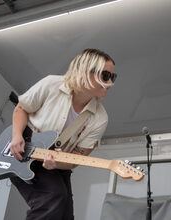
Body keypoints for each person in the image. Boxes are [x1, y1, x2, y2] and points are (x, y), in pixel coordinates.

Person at [9, 48, 117, 220]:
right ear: (85, 71)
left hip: (56, 161)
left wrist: (57, 164)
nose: (110, 82)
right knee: (53, 197)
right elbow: (21, 108)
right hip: (21, 149)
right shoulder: (52, 84)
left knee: (65, 215)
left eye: (113, 77)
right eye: (105, 75)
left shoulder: (100, 118)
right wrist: (16, 136)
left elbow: (76, 158)